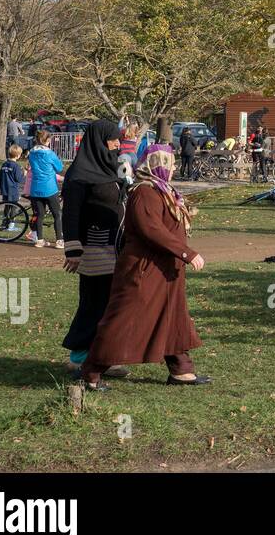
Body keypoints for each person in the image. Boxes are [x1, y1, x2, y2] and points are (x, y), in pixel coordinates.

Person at [79, 146, 209, 390]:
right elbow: (151, 230)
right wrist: (187, 253)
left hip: (165, 271)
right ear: (156, 165)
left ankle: (181, 370)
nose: (173, 168)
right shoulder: (144, 192)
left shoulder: (162, 190)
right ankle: (91, 373)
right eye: (169, 163)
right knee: (125, 321)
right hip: (144, 270)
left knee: (172, 317)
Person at [61, 119, 128, 378]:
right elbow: (71, 214)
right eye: (113, 139)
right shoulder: (79, 176)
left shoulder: (110, 168)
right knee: (94, 303)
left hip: (116, 250)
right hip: (94, 252)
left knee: (111, 305)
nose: (117, 143)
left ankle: (103, 358)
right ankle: (80, 356)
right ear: (99, 140)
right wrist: (73, 250)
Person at [26, 129, 65, 248]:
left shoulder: (31, 153)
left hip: (36, 188)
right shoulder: (50, 154)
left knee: (39, 215)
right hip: (49, 187)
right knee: (57, 214)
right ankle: (59, 240)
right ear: (47, 140)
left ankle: (40, 240)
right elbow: (59, 167)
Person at [0, 144, 25, 233]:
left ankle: (4, 224)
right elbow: (19, 179)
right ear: (17, 155)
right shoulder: (16, 166)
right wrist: (24, 173)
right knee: (14, 207)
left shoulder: (4, 164)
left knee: (7, 207)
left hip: (5, 190)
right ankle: (11, 225)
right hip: (13, 190)